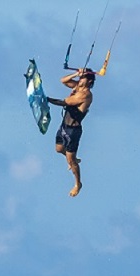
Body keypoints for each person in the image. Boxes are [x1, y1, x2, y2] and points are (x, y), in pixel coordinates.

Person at [47, 68, 94, 197]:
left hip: (73, 131)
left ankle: (78, 184)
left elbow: (64, 102)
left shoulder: (85, 95)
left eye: (83, 77)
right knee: (58, 149)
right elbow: (63, 80)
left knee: (71, 161)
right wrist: (76, 73)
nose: (80, 79)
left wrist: (46, 99)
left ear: (89, 81)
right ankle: (72, 159)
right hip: (64, 125)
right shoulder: (78, 87)